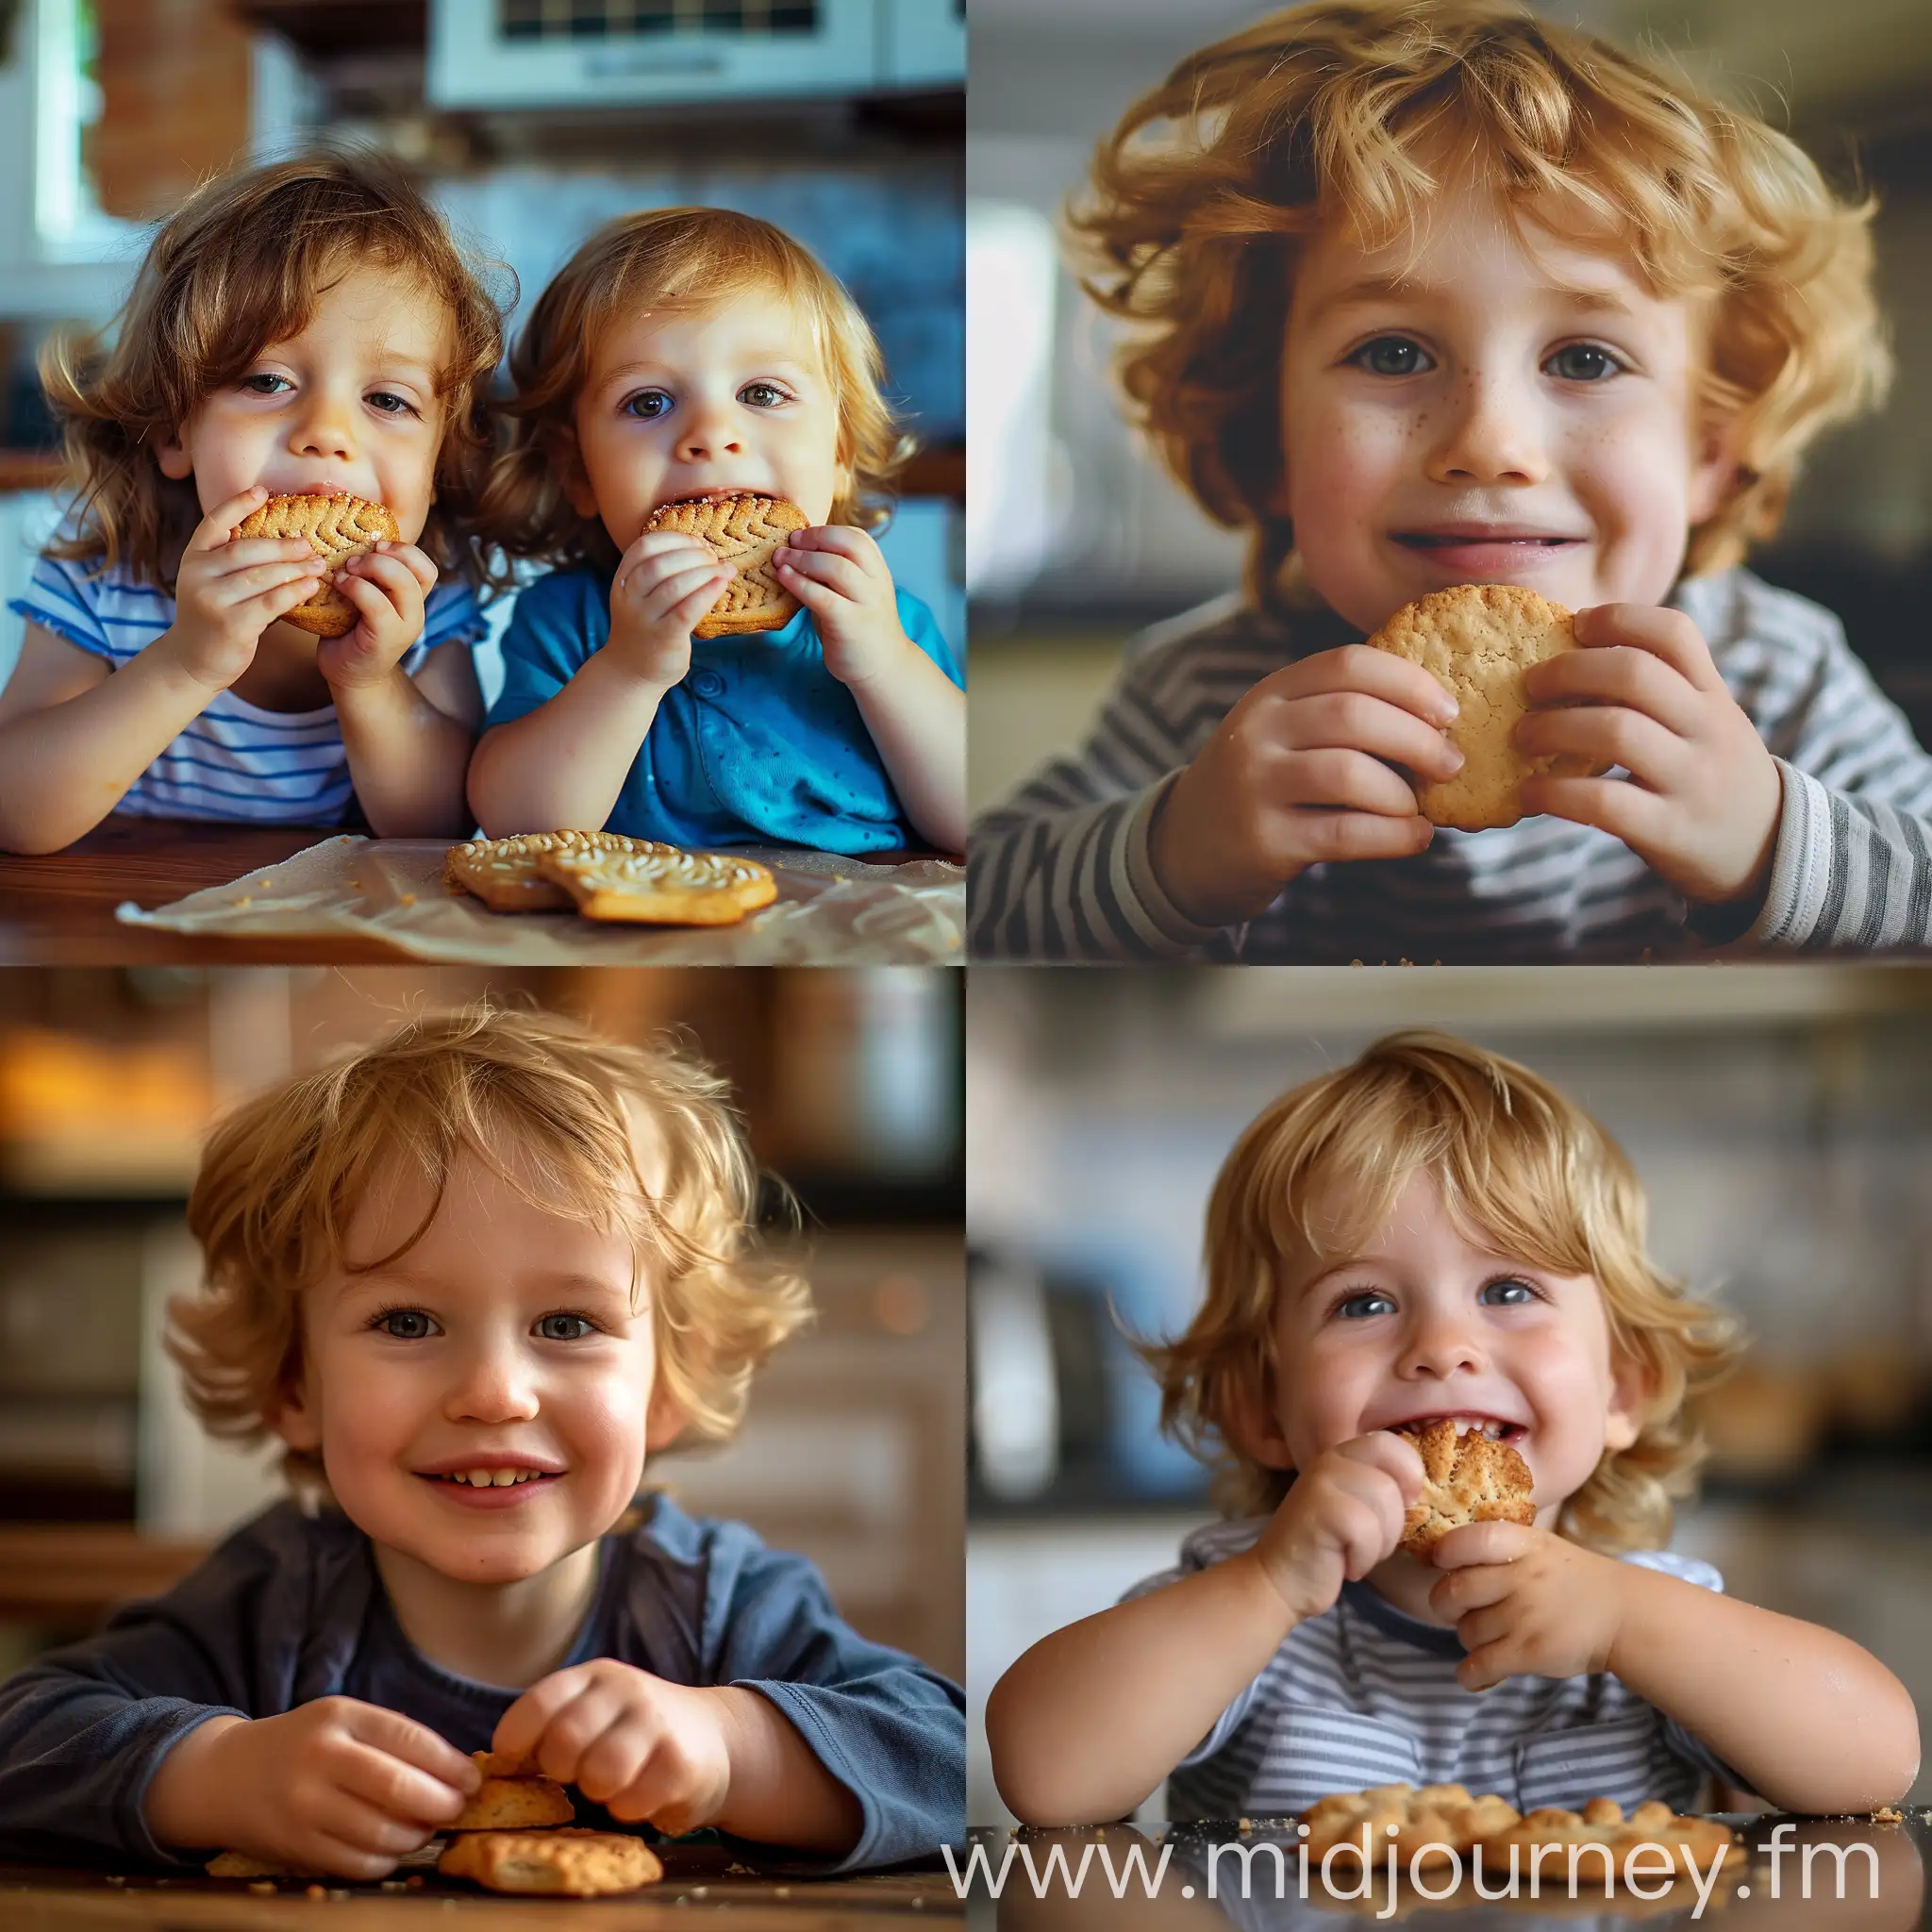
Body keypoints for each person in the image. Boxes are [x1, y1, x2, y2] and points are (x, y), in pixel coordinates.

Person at [970, 0, 1932, 961]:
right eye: (1391, 351)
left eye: (1586, 360)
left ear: (1709, 452)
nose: (1488, 442)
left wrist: (1772, 841)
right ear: (1269, 438)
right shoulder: (1204, 699)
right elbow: (982, 910)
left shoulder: (1776, 680)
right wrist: (1172, 854)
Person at [0, 1008, 963, 1877]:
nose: (495, 1393)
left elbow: (945, 1758)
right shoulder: (267, 1607)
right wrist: (213, 1774)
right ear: (297, 1383)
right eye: (409, 1322)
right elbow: (23, 1737)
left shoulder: (717, 1606)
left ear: (665, 1382)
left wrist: (731, 1748)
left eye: (568, 1323)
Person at [987, 1032, 1919, 1824]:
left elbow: (1879, 1759)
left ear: (1621, 1391)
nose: (1441, 1346)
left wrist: (1632, 1623)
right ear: (1259, 1409)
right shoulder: (1237, 1610)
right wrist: (1268, 1582)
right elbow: (1042, 1773)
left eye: (1508, 1289)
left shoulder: (1649, 1619)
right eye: (1361, 1302)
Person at [0, 150, 504, 851]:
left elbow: (438, 831)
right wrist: (188, 662)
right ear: (177, 429)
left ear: (437, 465)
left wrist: (372, 683)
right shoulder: (101, 572)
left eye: (387, 399)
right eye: (267, 382)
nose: (326, 435)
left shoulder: (430, 595)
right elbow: (15, 813)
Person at [467, 208, 965, 857]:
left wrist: (884, 664)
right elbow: (517, 827)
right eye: (649, 402)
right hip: (635, 931)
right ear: (578, 470)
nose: (710, 434)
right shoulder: (571, 624)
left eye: (761, 393)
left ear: (839, 451)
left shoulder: (889, 625)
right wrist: (628, 671)